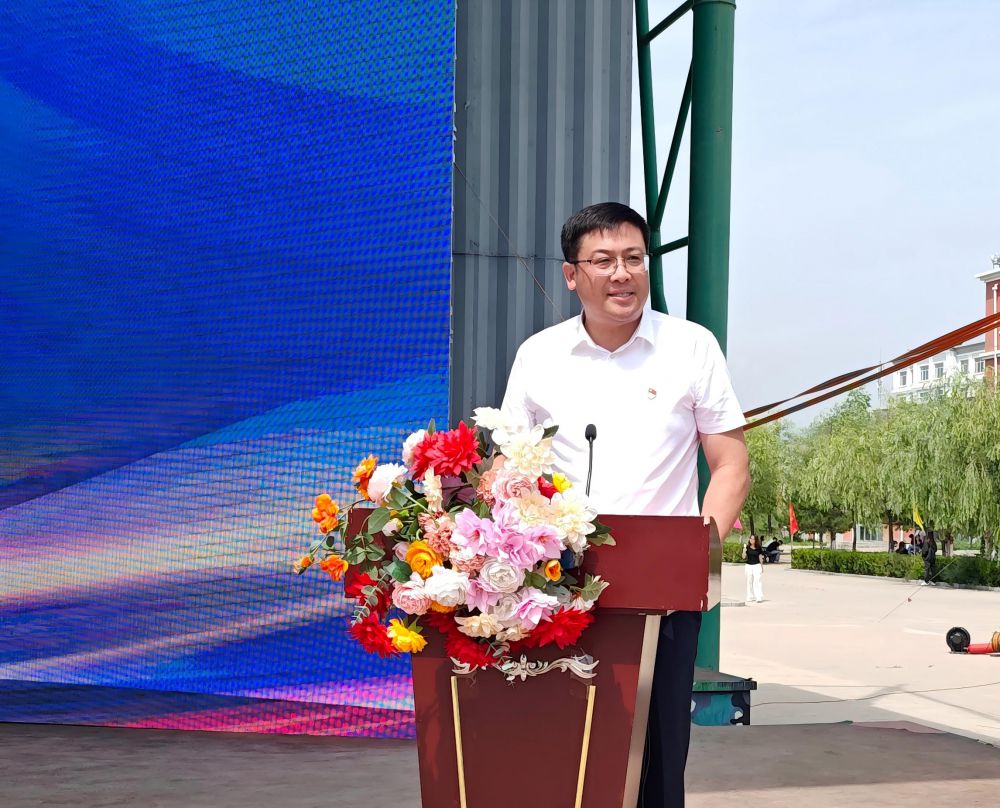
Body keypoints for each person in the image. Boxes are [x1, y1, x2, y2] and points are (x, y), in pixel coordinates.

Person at [501, 202, 749, 808]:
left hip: (662, 588)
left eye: (634, 258)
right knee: (561, 744)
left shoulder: (690, 346)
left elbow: (731, 465)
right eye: (604, 260)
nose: (622, 274)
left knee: (657, 755)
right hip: (557, 584)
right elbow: (508, 469)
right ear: (572, 275)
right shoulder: (539, 355)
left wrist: (698, 554)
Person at [744, 536, 765, 602]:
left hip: (757, 565)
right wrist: (744, 551)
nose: (751, 540)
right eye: (750, 538)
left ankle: (758, 596)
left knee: (757, 581)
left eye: (753, 539)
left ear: (756, 540)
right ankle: (749, 596)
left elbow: (760, 557)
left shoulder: (759, 548)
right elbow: (743, 557)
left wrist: (762, 566)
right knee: (749, 581)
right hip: (748, 566)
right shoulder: (747, 547)